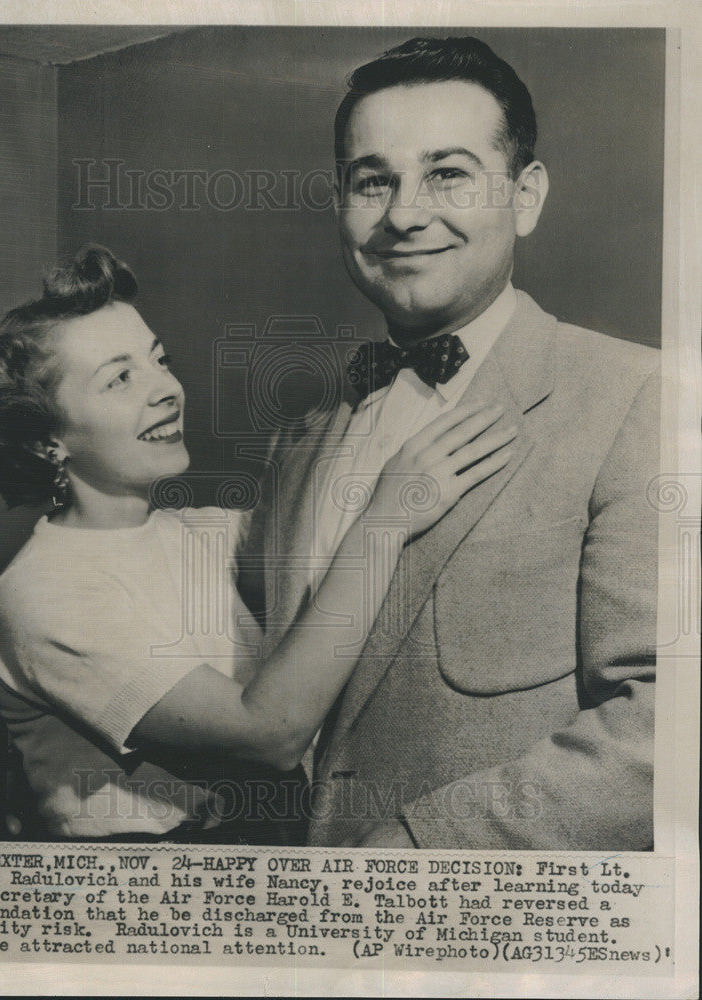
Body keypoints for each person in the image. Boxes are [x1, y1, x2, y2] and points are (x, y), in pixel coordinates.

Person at [239, 36, 659, 850]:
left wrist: (421, 851)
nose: (403, 213)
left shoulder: (639, 397)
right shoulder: (298, 444)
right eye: (373, 181)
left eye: (448, 173)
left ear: (525, 195)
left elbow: (671, 727)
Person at [0, 243, 514, 843]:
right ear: (47, 441)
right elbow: (269, 734)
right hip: (142, 896)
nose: (167, 388)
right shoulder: (40, 597)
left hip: (257, 851)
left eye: (158, 359)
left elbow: (306, 514)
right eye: (120, 378)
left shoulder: (191, 532)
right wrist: (385, 520)